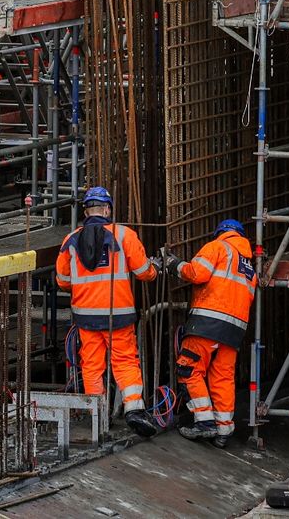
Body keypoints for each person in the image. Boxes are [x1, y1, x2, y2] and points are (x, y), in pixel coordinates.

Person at [54, 185, 160, 437]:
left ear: (86, 211)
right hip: (118, 314)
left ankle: (97, 418)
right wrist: (155, 270)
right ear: (107, 209)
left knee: (91, 365)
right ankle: (134, 409)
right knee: (124, 361)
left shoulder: (71, 240)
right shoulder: (124, 235)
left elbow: (62, 279)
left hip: (85, 315)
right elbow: (144, 271)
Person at [174, 218, 258, 448]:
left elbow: (196, 273)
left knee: (188, 368)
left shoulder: (217, 247)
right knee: (222, 377)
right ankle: (223, 430)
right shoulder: (249, 267)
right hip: (234, 330)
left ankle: (204, 421)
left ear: (220, 232)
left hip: (208, 322)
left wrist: (175, 266)